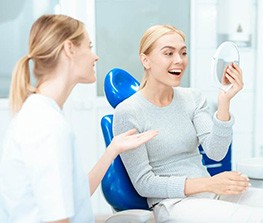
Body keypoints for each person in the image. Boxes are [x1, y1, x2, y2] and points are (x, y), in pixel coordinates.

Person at [113, 24, 263, 223]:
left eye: (183, 52)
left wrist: (225, 101)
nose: (179, 59)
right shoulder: (128, 112)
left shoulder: (192, 98)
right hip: (174, 204)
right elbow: (145, 184)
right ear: (146, 60)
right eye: (169, 53)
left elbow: (216, 152)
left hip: (212, 193)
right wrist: (210, 183)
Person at [0, 14, 158, 223]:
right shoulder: (46, 125)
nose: (95, 57)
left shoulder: (42, 114)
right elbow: (57, 219)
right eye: (89, 46)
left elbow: (76, 198)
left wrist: (113, 149)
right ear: (69, 49)